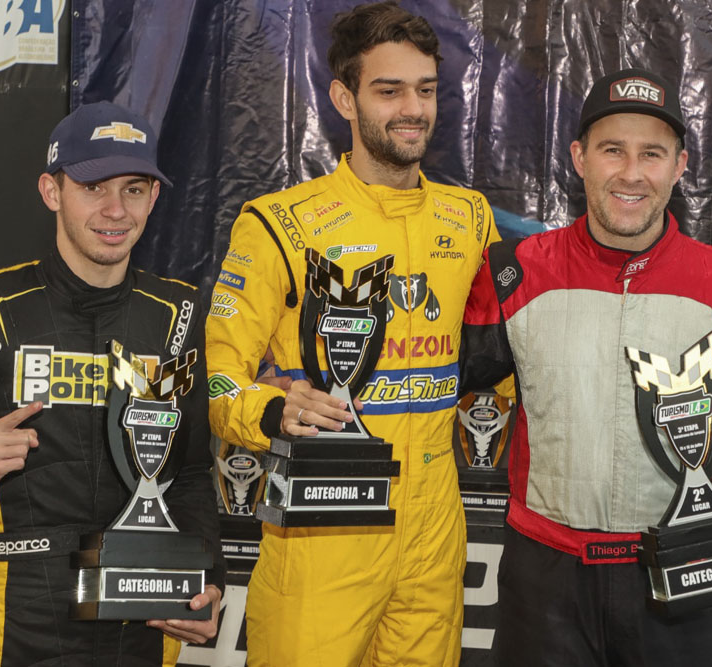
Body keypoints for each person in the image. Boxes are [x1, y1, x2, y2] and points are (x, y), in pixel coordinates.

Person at [461, 67, 712, 666]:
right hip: (543, 583)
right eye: (611, 150)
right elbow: (429, 387)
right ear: (578, 158)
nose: (631, 173)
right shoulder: (511, 271)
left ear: (679, 166)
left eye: (652, 153)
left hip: (687, 572)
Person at [0, 101, 224, 666]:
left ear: (154, 199)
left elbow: (195, 473)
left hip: (140, 605)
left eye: (134, 189)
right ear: (51, 192)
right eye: (92, 187)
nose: (115, 210)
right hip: (19, 614)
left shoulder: (176, 314)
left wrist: (209, 579)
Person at [205, 2, 499, 665]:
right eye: (389, 90)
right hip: (323, 526)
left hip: (434, 529)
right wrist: (274, 408)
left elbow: (502, 361)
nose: (413, 109)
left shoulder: (472, 219)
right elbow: (219, 375)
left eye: (425, 90)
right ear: (344, 97)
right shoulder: (282, 224)